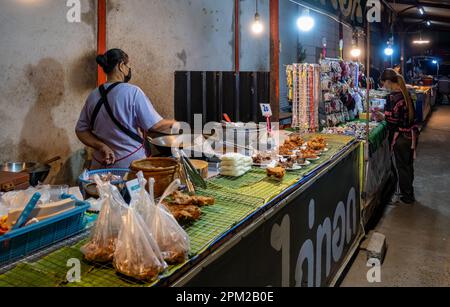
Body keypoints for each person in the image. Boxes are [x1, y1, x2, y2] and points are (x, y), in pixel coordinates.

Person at [76, 49, 176, 169]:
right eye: (128, 66)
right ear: (121, 65)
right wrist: (174, 122)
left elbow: (81, 131)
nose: (129, 69)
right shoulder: (133, 92)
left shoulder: (93, 95)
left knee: (102, 189)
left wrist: (101, 146)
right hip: (129, 166)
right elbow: (155, 126)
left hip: (100, 166)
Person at [377, 69, 419, 204]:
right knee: (407, 166)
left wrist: (382, 116)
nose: (384, 87)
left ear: (389, 82)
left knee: (401, 168)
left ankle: (405, 195)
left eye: (384, 84)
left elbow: (392, 121)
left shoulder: (394, 97)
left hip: (400, 138)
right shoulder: (405, 94)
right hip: (410, 136)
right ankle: (409, 193)